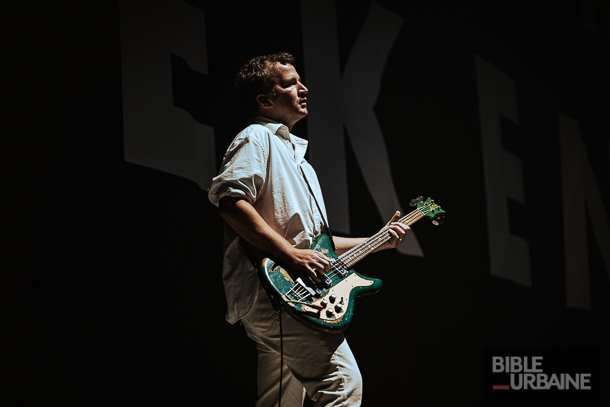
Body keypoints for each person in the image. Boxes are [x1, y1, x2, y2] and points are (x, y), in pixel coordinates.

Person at [208, 52, 409, 407]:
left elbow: (319, 247)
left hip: (293, 297)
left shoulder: (302, 163)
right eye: (290, 83)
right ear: (265, 100)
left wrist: (377, 241)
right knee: (343, 387)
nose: (303, 88)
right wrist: (290, 254)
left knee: (279, 401)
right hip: (276, 291)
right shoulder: (257, 137)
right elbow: (230, 203)